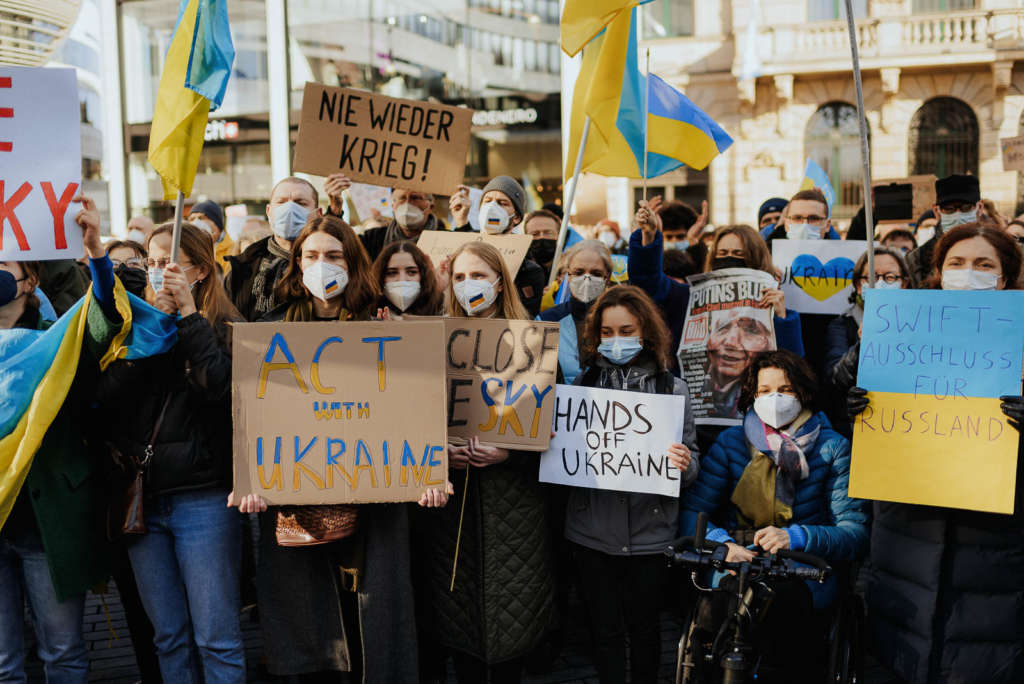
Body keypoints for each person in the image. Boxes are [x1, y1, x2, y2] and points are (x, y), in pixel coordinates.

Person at [848, 222, 1024, 683]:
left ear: (1004, 279)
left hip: (992, 550)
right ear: (938, 273)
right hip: (909, 534)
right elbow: (845, 404)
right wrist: (853, 388)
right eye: (957, 264)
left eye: (984, 265)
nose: (969, 274)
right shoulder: (898, 333)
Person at [252, 215, 419, 682]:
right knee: (310, 628)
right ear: (297, 264)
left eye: (333, 256)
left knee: (371, 620)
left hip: (374, 504)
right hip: (298, 500)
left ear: (352, 264)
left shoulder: (382, 325)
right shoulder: (269, 330)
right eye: (311, 256)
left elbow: (407, 410)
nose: (320, 265)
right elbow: (255, 416)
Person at [96, 221, 246, 682]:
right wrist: (152, 334)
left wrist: (187, 319)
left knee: (216, 639)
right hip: (144, 500)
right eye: (153, 262)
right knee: (169, 637)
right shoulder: (137, 325)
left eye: (170, 263)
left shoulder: (228, 327)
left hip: (203, 498)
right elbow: (106, 400)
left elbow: (219, 390)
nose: (159, 271)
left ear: (200, 270)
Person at [0, 196, 133, 683]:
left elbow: (105, 323)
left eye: (2, 264)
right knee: (4, 664)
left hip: (44, 522)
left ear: (30, 279)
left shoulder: (57, 338)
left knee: (63, 653)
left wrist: (97, 254)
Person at [681, 350, 869, 679]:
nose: (775, 399)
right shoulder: (730, 444)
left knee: (782, 610)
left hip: (802, 568)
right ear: (752, 396)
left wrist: (795, 536)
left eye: (786, 390)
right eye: (765, 391)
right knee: (720, 605)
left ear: (804, 393)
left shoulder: (833, 447)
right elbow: (693, 514)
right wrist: (722, 546)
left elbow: (853, 534)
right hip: (737, 561)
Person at [417, 241, 554, 684]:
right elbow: (409, 419)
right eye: (458, 278)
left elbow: (551, 432)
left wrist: (509, 452)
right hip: (453, 510)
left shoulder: (531, 340)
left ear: (500, 281)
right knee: (459, 626)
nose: (468, 285)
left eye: (477, 275)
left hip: (513, 511)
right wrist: (440, 453)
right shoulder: (432, 341)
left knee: (510, 627)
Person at [568, 284, 699, 683]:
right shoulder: (579, 389)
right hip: (591, 533)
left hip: (650, 534)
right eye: (607, 333)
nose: (616, 340)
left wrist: (684, 463)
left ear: (646, 332)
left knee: (645, 629)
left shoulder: (673, 389)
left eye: (626, 331)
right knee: (605, 631)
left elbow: (692, 463)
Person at [824, 247, 910, 437]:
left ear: (904, 283)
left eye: (889, 278)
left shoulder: (920, 324)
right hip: (856, 432)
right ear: (858, 285)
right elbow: (835, 379)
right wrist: (863, 345)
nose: (879, 284)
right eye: (870, 277)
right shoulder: (841, 325)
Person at [225, 176, 322, 321]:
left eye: (300, 203)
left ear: (317, 214)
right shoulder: (244, 268)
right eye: (281, 202)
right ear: (269, 211)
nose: (289, 209)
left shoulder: (331, 262)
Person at [449, 176, 547, 317]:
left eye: (502, 203)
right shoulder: (462, 249)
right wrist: (460, 221)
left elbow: (526, 317)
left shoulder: (529, 270)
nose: (492, 208)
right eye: (487, 201)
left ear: (517, 217)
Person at [324, 173, 453, 261]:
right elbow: (336, 247)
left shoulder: (448, 241)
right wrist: (334, 210)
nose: (407, 204)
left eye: (415, 198)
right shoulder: (373, 239)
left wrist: (462, 221)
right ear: (393, 205)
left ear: (431, 205)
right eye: (402, 198)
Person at [537, 240, 613, 383]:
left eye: (596, 273)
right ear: (568, 275)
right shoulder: (547, 320)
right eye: (579, 272)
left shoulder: (622, 320)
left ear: (607, 277)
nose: (587, 278)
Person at [905, 174, 981, 286]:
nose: (958, 214)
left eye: (966, 208)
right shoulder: (917, 258)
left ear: (980, 208)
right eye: (949, 209)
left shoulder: (999, 249)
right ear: (937, 211)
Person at [370, 240, 445, 317]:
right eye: (392, 273)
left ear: (423, 275)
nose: (402, 280)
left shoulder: (441, 310)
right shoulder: (367, 312)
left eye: (412, 272)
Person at [764, 188, 840, 246]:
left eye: (813, 218)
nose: (805, 225)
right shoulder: (767, 260)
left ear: (827, 225)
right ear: (786, 223)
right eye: (797, 218)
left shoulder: (842, 260)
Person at [189, 199, 235, 269]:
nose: (195, 222)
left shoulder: (233, 251)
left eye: (201, 218)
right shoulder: (188, 250)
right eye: (192, 219)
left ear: (216, 223)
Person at [523, 208, 561, 278]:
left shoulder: (570, 269)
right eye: (535, 234)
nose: (542, 237)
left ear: (559, 235)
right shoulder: (520, 270)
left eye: (548, 233)